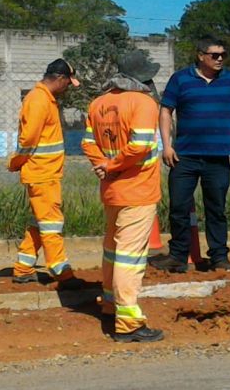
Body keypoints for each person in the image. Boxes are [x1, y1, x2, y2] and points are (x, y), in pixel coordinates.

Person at [151, 36, 230, 273]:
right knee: (179, 206)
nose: (220, 59)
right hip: (184, 156)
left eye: (223, 54)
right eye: (214, 55)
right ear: (201, 56)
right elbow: (166, 111)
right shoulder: (181, 79)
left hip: (217, 156)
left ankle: (219, 257)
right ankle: (178, 256)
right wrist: (167, 145)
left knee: (216, 208)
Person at [81, 61, 164, 343]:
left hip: (112, 191)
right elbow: (140, 146)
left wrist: (103, 165)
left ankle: (108, 304)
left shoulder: (98, 103)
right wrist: (114, 165)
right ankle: (128, 322)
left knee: (112, 251)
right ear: (139, 79)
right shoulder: (143, 103)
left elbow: (88, 143)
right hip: (137, 191)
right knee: (130, 257)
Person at [8, 58, 84, 290]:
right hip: (42, 173)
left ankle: (23, 268)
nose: (68, 87)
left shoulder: (43, 98)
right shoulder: (39, 100)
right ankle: (62, 272)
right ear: (59, 79)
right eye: (68, 83)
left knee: (40, 222)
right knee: (51, 223)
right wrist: (16, 161)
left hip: (44, 172)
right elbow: (28, 139)